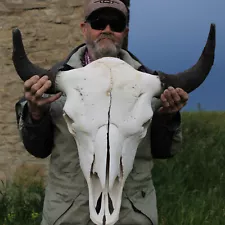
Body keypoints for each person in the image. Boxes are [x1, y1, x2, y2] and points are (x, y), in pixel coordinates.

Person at [15, 0, 189, 224]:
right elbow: (37, 149)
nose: (107, 29)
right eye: (98, 22)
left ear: (124, 32)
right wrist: (36, 113)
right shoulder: (50, 86)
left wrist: (167, 116)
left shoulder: (150, 88)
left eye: (115, 24)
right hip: (68, 216)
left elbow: (164, 150)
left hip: (132, 217)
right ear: (84, 28)